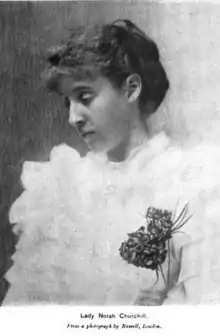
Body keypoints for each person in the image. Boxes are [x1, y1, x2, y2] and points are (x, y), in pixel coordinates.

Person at [3, 19, 220, 305]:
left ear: (131, 89)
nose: (73, 117)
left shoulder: (193, 182)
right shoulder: (57, 189)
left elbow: (207, 314)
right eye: (68, 102)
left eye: (85, 97)